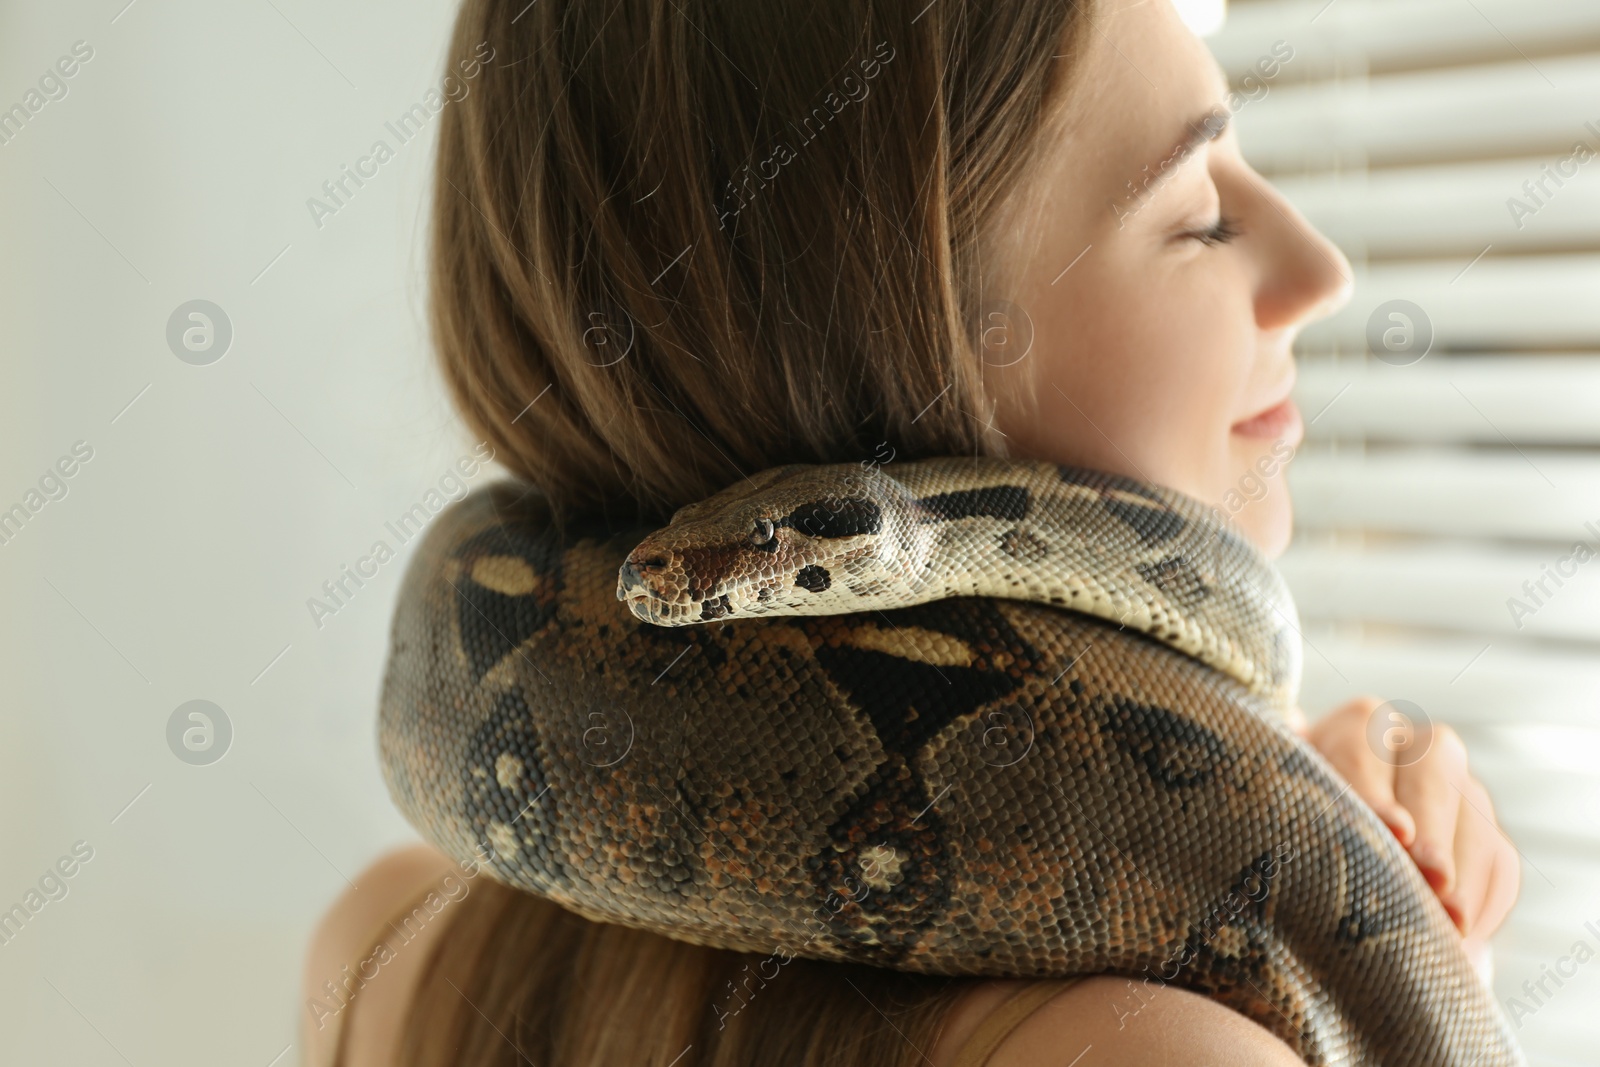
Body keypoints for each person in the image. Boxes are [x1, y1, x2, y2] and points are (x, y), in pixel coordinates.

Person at [303, 0, 1520, 1062]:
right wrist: (1384, 944)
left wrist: (1297, 798)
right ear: (901, 359)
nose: (1321, 269)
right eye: (1197, 212)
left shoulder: (381, 946)